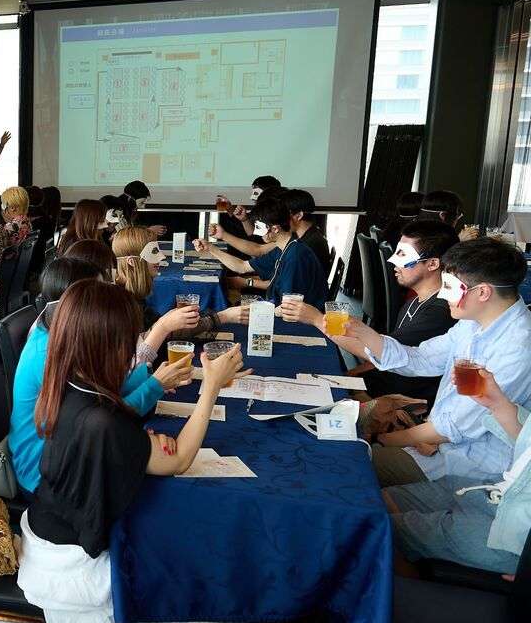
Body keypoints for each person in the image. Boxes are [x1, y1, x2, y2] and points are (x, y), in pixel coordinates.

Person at [17, 279, 240, 623]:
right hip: (74, 569)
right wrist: (211, 387)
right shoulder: (102, 423)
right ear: (107, 346)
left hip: (47, 534)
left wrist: (137, 447)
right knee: (198, 598)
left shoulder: (66, 385)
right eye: (129, 339)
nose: (134, 347)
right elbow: (180, 460)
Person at [328, 238, 531, 487]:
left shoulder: (517, 349)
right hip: (434, 437)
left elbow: (454, 427)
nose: (442, 294)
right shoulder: (473, 322)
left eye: (450, 286)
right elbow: (423, 358)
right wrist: (366, 334)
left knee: (341, 463)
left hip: (466, 462)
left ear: (483, 292)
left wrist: (384, 439)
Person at [7, 258, 194, 496]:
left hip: (73, 450)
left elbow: (102, 394)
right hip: (44, 474)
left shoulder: (65, 334)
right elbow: (97, 424)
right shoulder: (49, 353)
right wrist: (154, 387)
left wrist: (148, 378)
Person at [284, 220, 458, 407]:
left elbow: (383, 353)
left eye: (403, 254)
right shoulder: (414, 301)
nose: (392, 260)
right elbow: (385, 351)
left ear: (432, 263)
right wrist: (350, 375)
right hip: (374, 384)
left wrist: (317, 319)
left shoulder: (439, 313)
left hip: (393, 401)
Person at [385, 367, 530, 578]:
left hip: (515, 537)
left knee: (380, 530)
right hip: (496, 491)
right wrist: (496, 403)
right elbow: (525, 437)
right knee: (380, 500)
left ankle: (410, 594)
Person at [113, 227, 248, 364]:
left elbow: (164, 332)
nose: (162, 257)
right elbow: (139, 355)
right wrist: (222, 317)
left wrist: (219, 317)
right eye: (154, 252)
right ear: (131, 262)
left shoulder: (132, 297)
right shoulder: (119, 306)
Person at [195, 195, 327, 308]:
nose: (256, 231)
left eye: (259, 227)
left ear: (275, 228)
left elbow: (288, 306)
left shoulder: (295, 256)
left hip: (293, 318)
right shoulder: (283, 248)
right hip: (278, 306)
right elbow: (242, 266)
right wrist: (210, 248)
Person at [210, 189, 332, 278]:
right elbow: (258, 251)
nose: (278, 215)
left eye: (283, 212)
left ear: (299, 215)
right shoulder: (293, 238)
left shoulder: (307, 245)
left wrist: (247, 282)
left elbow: (258, 251)